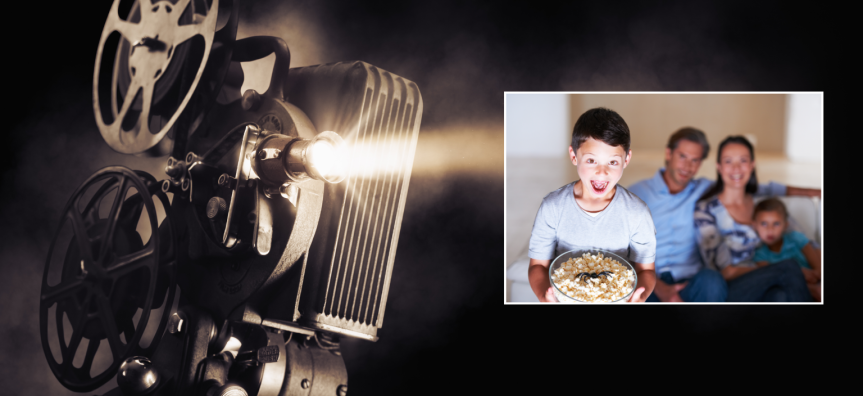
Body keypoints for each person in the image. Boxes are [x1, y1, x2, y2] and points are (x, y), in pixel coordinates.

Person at [628, 127, 820, 302]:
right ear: (668, 153)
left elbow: (759, 187)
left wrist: (813, 192)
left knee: (714, 280)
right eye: (683, 156)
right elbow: (616, 245)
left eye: (695, 160)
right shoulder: (635, 194)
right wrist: (659, 287)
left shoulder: (704, 189)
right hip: (650, 279)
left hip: (693, 280)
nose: (688, 166)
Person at [528, 107, 656, 302]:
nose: (602, 172)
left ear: (626, 159)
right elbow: (538, 266)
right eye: (591, 160)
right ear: (573, 155)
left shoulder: (637, 212)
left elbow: (646, 269)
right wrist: (545, 297)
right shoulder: (552, 207)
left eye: (612, 162)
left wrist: (640, 295)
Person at [695, 136, 811, 302]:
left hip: (769, 282)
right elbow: (726, 272)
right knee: (789, 268)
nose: (736, 168)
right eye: (728, 161)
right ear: (719, 167)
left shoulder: (762, 204)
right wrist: (771, 268)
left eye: (743, 160)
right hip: (729, 289)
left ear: (752, 165)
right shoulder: (706, 212)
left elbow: (798, 236)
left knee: (780, 296)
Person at [751, 198, 821, 301]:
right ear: (755, 226)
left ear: (786, 225)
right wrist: (801, 277)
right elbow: (774, 279)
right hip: (793, 291)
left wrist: (816, 276)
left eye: (776, 224)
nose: (770, 230)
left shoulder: (796, 238)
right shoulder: (759, 254)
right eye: (764, 224)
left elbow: (819, 266)